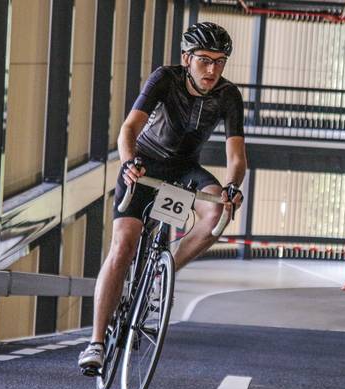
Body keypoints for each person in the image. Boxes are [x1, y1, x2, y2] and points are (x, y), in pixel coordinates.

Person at [78, 22, 246, 370]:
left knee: (218, 214)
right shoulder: (164, 79)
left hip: (185, 170)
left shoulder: (229, 95)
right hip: (145, 163)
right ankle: (95, 343)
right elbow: (129, 129)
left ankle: (162, 272)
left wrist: (232, 187)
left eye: (220, 61)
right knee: (123, 246)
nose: (212, 69)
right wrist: (129, 163)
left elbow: (236, 156)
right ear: (186, 58)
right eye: (204, 60)